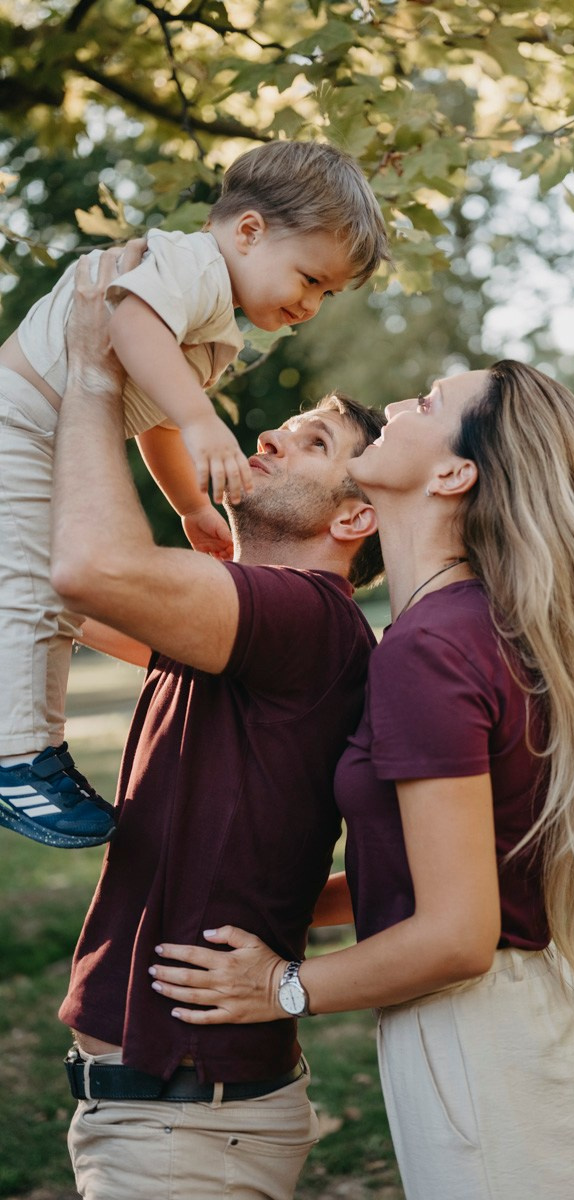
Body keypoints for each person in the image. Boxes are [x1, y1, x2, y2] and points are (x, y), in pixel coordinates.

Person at [150, 363, 574, 1199]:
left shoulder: (430, 648)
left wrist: (282, 987)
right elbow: (446, 867)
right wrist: (278, 904)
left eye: (428, 404)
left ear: (453, 474)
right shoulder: (458, 626)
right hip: (498, 1034)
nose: (397, 404)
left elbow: (458, 934)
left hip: (481, 1048)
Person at [50, 246, 386, 1200]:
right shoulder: (244, 628)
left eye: (313, 442)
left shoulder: (305, 618)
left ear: (354, 520)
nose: (271, 434)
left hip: (181, 1130)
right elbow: (57, 591)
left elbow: (86, 571)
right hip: (170, 1119)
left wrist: (93, 372)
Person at [0, 139, 389, 849]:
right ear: (249, 231)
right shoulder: (191, 268)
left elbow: (152, 422)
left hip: (41, 438)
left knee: (49, 595)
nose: (310, 304)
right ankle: (19, 756)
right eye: (308, 279)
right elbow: (128, 325)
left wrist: (190, 505)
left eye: (326, 294)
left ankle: (31, 747)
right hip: (19, 426)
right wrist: (203, 418)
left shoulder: (207, 319)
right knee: (34, 592)